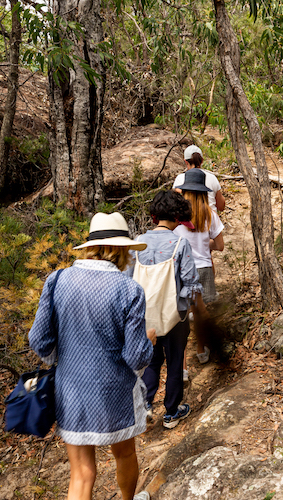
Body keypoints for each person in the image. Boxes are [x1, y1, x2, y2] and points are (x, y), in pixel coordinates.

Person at [29, 212, 155, 500]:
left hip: (71, 391)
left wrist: (61, 357)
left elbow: (39, 340)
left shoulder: (57, 280)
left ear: (89, 247)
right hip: (116, 393)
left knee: (82, 473)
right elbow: (136, 357)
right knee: (124, 455)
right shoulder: (129, 290)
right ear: (122, 249)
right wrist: (149, 342)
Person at [126, 190, 203, 428]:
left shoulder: (136, 245)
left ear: (154, 216)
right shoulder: (181, 244)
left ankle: (146, 405)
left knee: (151, 361)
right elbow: (190, 284)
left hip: (144, 318)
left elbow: (128, 282)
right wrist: (193, 307)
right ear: (178, 217)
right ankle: (171, 412)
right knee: (175, 360)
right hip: (174, 316)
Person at [174, 168, 224, 364]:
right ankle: (201, 349)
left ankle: (182, 364)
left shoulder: (176, 217)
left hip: (180, 268)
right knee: (200, 312)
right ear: (204, 193)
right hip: (202, 267)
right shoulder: (210, 215)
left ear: (184, 192)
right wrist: (205, 244)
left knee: (182, 315)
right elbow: (219, 246)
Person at [173, 144, 226, 212]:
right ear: (202, 161)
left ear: (186, 161)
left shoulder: (180, 178)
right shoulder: (212, 178)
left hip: (187, 219)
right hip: (210, 219)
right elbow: (221, 206)